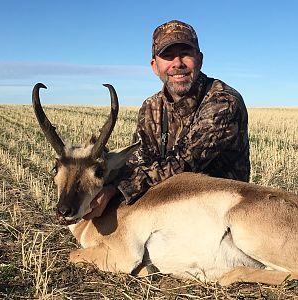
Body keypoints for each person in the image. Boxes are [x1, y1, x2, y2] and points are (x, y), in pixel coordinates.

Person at [83, 20, 250, 220]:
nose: (177, 63)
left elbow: (185, 162)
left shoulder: (223, 101)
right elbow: (139, 161)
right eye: (168, 56)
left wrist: (117, 189)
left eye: (185, 54)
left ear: (200, 58)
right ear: (155, 66)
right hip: (166, 205)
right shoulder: (151, 107)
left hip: (220, 213)